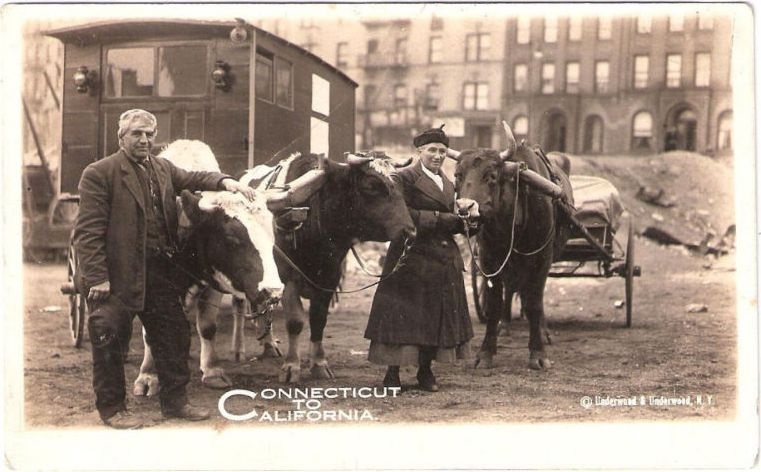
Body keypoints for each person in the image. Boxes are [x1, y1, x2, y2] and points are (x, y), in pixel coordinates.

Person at [73, 109, 256, 429]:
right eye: (137, 134)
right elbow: (87, 233)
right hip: (118, 274)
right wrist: (98, 277)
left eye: (149, 134)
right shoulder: (99, 173)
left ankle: (175, 403)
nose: (144, 140)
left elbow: (196, 178)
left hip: (158, 271)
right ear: (122, 137)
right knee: (110, 335)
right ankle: (113, 409)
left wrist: (228, 182)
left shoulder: (162, 168)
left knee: (174, 334)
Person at [364, 125, 474, 392]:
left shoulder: (447, 183)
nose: (437, 156)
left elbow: (453, 216)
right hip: (410, 256)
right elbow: (401, 213)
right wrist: (442, 219)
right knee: (401, 317)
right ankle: (392, 374)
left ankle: (426, 371)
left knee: (434, 318)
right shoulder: (403, 177)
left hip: (442, 258)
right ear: (420, 151)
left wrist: (467, 220)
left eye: (442, 151)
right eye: (432, 150)